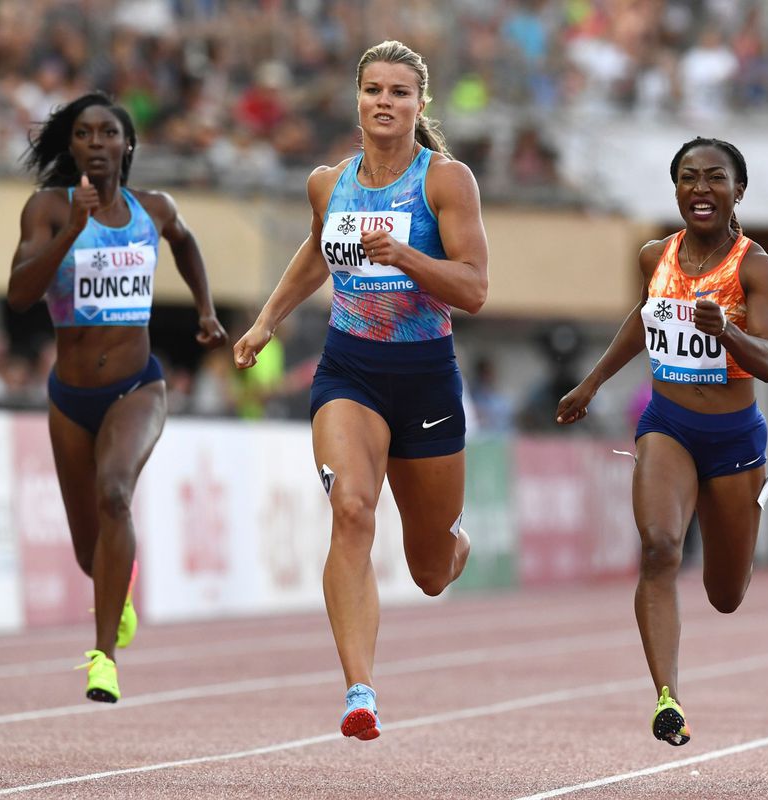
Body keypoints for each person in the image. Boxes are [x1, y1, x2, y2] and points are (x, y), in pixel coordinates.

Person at [233, 40, 489, 741]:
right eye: (373, 89)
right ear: (357, 98)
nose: (385, 102)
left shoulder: (445, 181)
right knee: (350, 509)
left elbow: (475, 288)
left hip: (425, 376)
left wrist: (408, 255)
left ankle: (453, 541)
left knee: (431, 571)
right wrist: (265, 322)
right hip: (350, 371)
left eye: (399, 92)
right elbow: (317, 250)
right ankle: (360, 691)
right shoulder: (329, 182)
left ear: (420, 104)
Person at [556, 137, 768, 747]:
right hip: (669, 426)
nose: (701, 188)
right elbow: (643, 316)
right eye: (688, 177)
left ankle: (741, 521)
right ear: (676, 189)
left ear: (738, 190)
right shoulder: (654, 255)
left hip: (734, 438)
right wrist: (593, 382)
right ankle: (667, 698)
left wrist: (728, 331)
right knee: (659, 548)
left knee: (726, 594)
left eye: (715, 178)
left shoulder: (757, 268)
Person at [8, 91, 227, 703]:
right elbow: (20, 292)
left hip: (138, 385)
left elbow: (183, 241)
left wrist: (205, 310)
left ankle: (102, 657)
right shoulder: (48, 208)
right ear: (72, 146)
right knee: (89, 552)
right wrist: (71, 231)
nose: (97, 143)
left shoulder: (151, 208)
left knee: (115, 495)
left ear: (127, 146)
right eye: (85, 134)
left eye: (109, 133)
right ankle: (115, 589)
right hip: (69, 396)